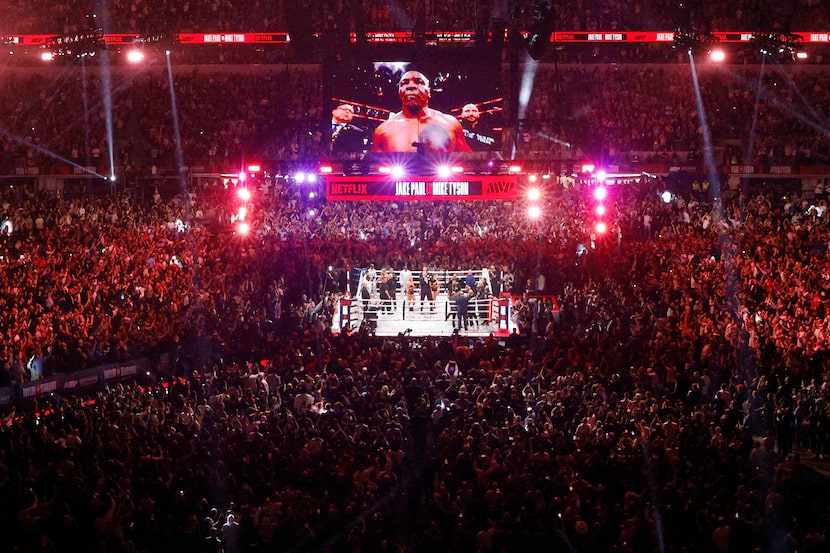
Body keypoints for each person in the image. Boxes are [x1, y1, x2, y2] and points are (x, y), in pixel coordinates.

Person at [372, 71, 472, 153]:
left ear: (429, 92)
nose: (410, 86)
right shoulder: (383, 130)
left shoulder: (451, 124)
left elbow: (470, 162)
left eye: (418, 82)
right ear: (399, 93)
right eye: (404, 83)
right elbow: (376, 170)